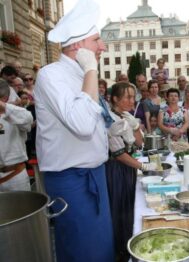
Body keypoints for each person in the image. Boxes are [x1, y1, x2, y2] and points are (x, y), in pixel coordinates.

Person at [33, 0, 114, 261]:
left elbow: (98, 121)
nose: (102, 46)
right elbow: (81, 125)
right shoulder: (51, 75)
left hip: (95, 175)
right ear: (79, 46)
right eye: (97, 40)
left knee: (101, 248)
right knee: (83, 251)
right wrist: (91, 69)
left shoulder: (81, 76)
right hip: (72, 180)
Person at [106, 82, 156, 261]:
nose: (131, 100)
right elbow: (118, 154)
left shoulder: (126, 116)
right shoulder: (110, 119)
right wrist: (142, 166)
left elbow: (139, 144)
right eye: (127, 96)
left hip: (128, 168)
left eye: (132, 96)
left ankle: (128, 242)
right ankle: (119, 250)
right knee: (119, 207)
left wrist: (135, 127)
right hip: (116, 170)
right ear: (115, 99)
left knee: (130, 205)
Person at [0, 80, 33, 191]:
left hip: (15, 177)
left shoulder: (15, 114)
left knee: (21, 208)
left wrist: (4, 107)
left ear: (4, 98)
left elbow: (28, 118)